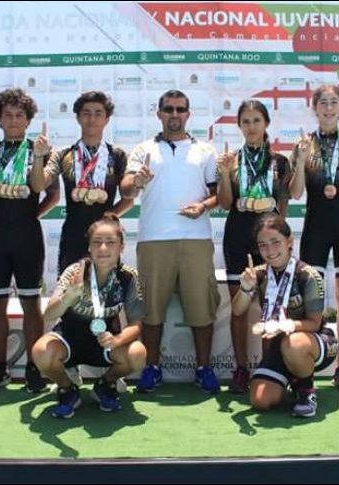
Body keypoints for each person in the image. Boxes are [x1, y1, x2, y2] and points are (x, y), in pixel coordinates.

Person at [120, 89, 221, 393]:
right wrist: (137, 181)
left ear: (188, 114)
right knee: (151, 309)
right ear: (159, 113)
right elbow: (126, 189)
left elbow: (219, 193)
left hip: (196, 238)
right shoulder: (143, 149)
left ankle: (204, 368)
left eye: (180, 109)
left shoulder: (205, 150)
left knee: (201, 308)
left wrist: (204, 206)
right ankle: (151, 367)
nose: (174, 114)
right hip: (154, 240)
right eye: (168, 109)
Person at [0, 88, 56, 394]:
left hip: (27, 238)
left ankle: (34, 367)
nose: (14, 120)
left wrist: (32, 216)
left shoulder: (40, 149)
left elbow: (44, 190)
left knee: (32, 304)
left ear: (29, 119)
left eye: (20, 115)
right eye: (8, 115)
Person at [289, 84, 339, 393]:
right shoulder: (303, 145)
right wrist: (298, 161)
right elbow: (295, 193)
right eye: (323, 103)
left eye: (334, 102)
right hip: (315, 227)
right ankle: (306, 366)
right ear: (315, 108)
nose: (329, 108)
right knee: (313, 300)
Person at [32, 215, 147, 418]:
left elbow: (137, 324)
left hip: (105, 343)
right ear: (89, 248)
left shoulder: (128, 276)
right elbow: (48, 315)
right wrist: (68, 298)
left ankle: (105, 385)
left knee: (137, 353)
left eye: (110, 243)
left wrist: (117, 339)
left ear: (121, 247)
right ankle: (67, 389)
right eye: (97, 243)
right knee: (41, 351)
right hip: (69, 341)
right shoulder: (74, 272)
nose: (103, 248)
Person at [217, 100, 291, 393]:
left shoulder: (280, 162)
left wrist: (280, 244)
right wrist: (223, 175)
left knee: (270, 306)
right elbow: (224, 204)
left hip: (270, 241)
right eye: (245, 121)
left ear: (266, 123)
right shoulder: (231, 161)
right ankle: (240, 367)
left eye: (256, 120)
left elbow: (283, 206)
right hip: (237, 238)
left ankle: (269, 365)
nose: (251, 127)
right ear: (239, 126)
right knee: (239, 307)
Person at [230, 214, 336, 417]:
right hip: (277, 348)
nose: (269, 251)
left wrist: (284, 326)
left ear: (289, 242)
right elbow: (237, 311)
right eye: (262, 245)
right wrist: (245, 288)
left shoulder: (308, 275)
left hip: (315, 342)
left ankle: (306, 391)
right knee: (260, 401)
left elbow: (314, 324)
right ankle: (292, 379)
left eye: (275, 242)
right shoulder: (259, 274)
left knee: (293, 344)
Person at [49, 91, 133, 275]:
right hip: (73, 233)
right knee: (70, 292)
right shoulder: (65, 155)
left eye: (98, 113)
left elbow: (128, 200)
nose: (92, 119)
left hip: (106, 236)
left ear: (107, 119)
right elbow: (46, 188)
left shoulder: (117, 155)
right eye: (86, 113)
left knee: (108, 292)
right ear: (78, 118)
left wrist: (110, 215)